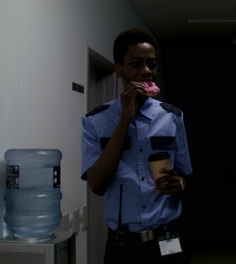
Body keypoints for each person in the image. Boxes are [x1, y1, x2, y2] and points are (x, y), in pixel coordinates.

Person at [81, 28, 192, 263]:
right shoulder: (94, 121)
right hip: (123, 245)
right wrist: (125, 119)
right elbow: (97, 185)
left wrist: (178, 183)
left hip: (167, 238)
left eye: (152, 64)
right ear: (118, 68)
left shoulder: (172, 117)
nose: (146, 72)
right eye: (136, 64)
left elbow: (184, 176)